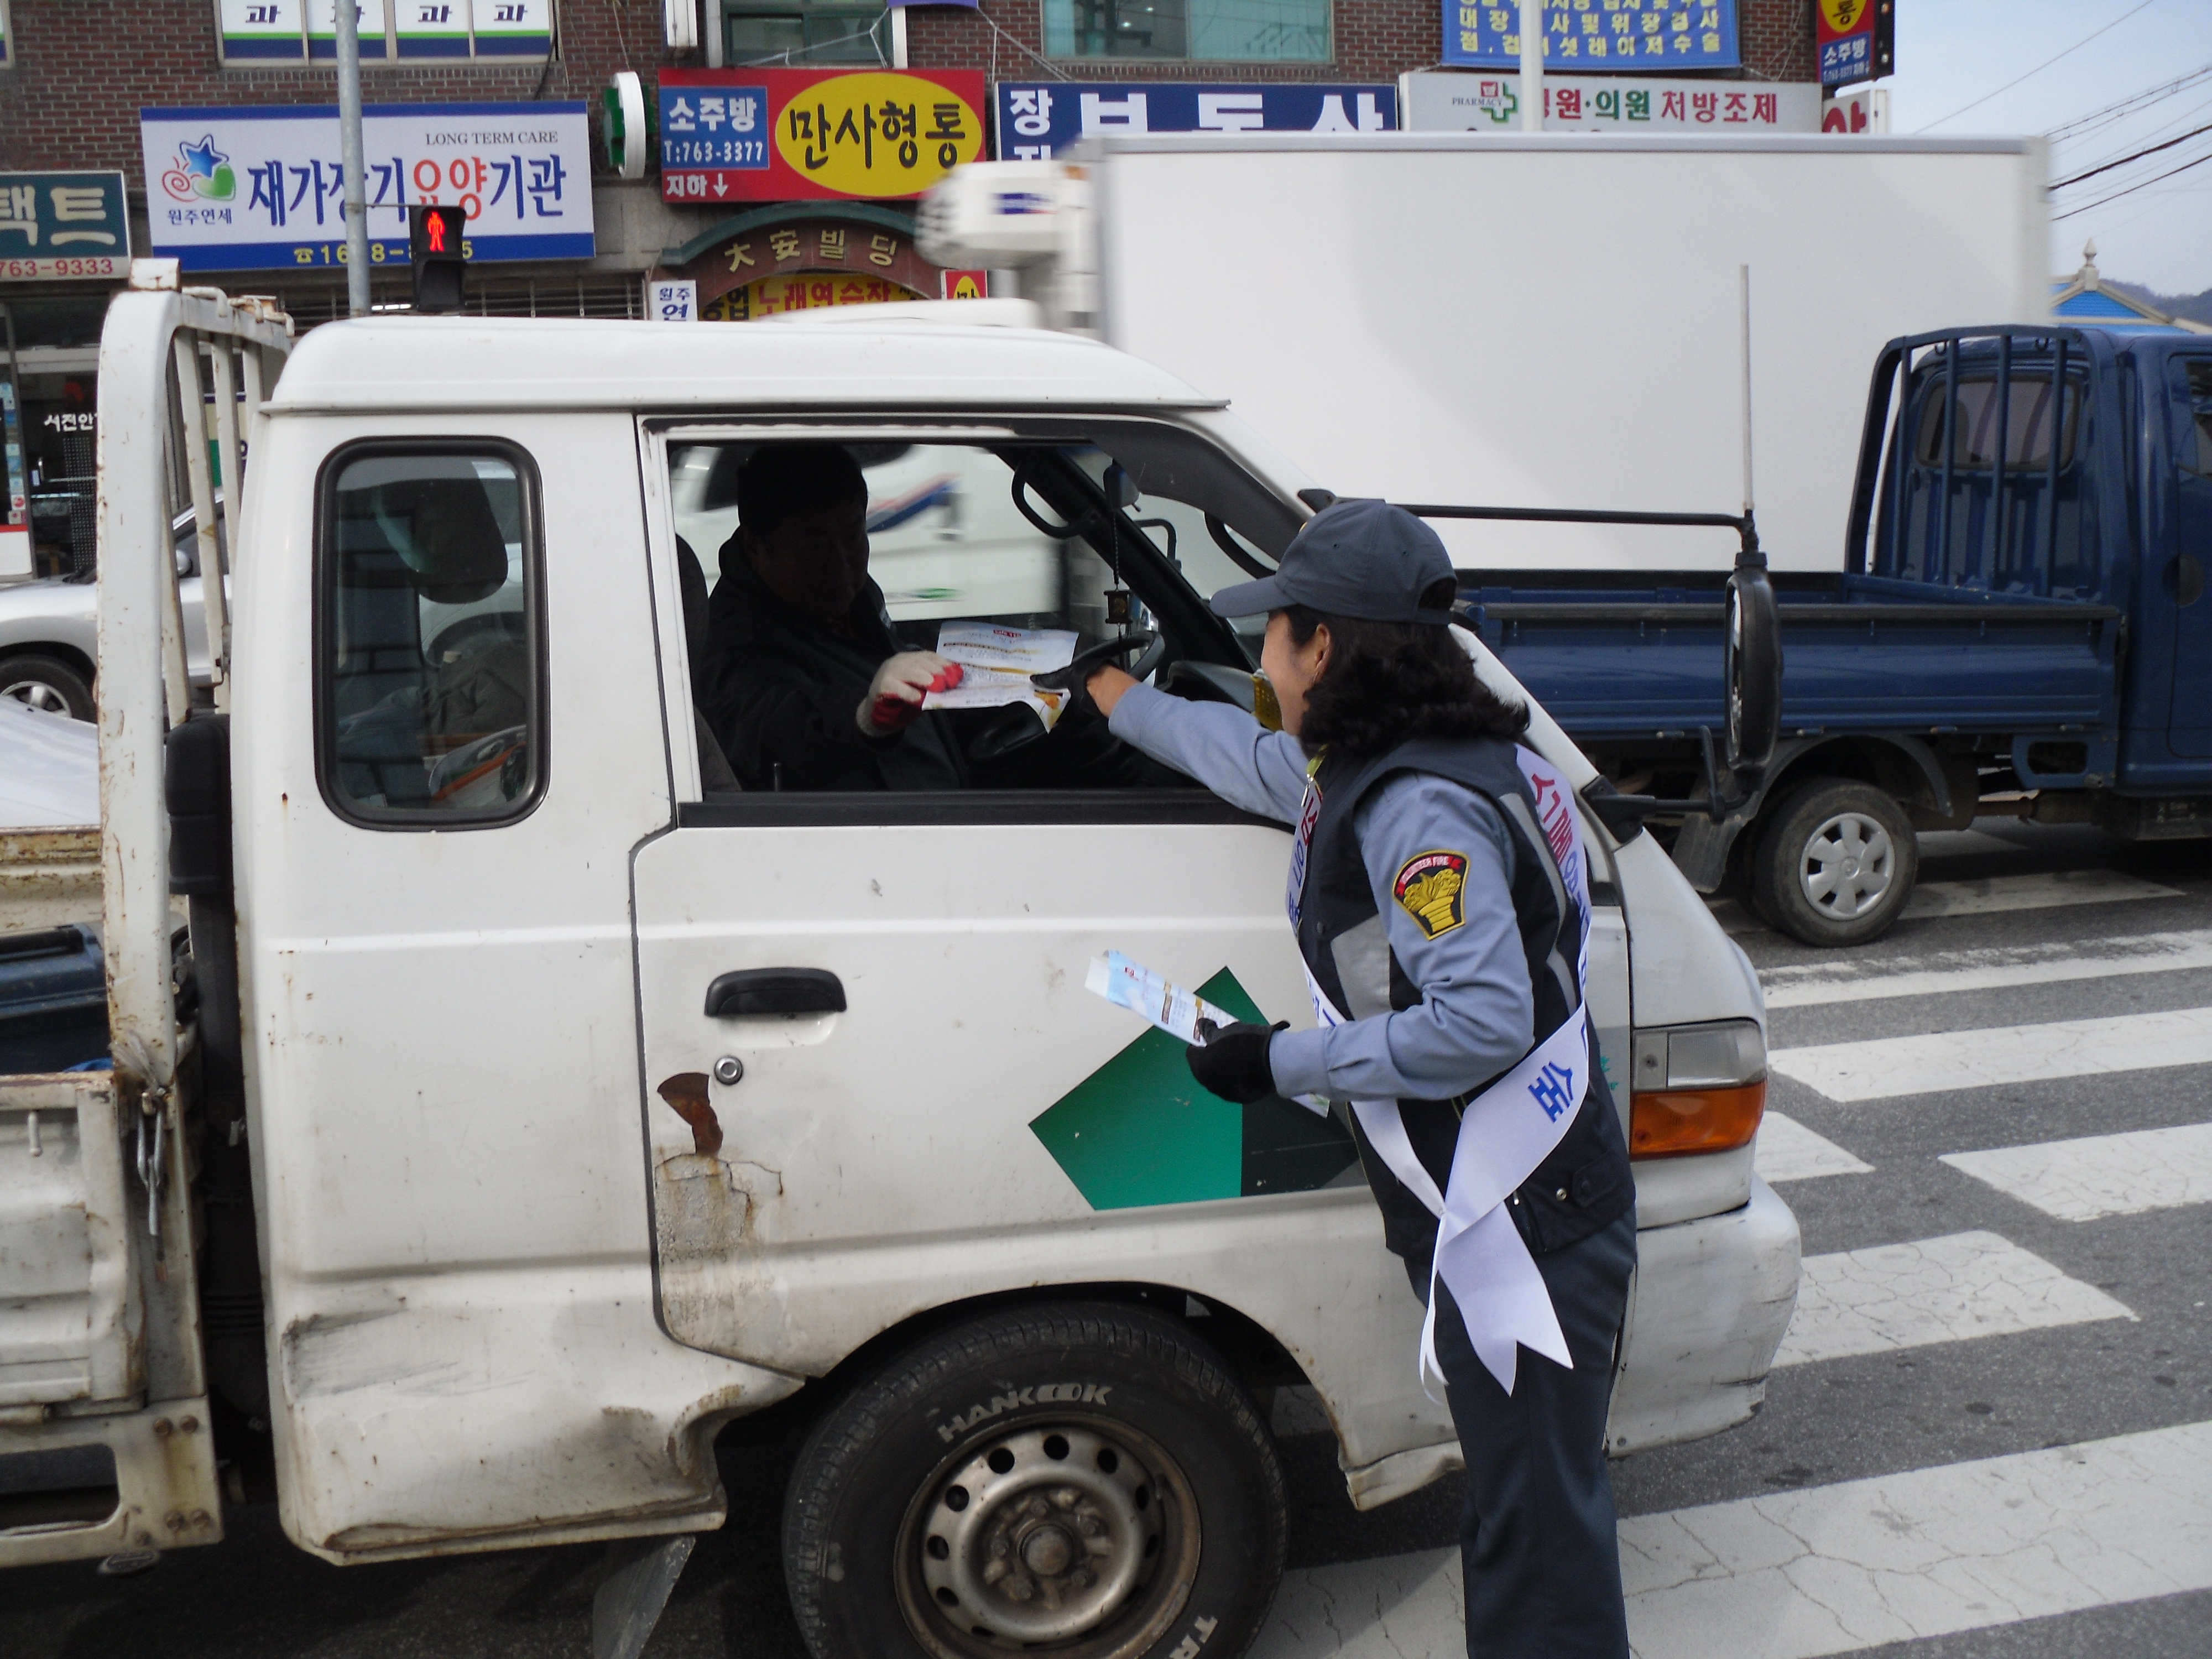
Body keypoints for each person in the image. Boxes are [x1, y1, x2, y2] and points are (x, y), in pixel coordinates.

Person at [1081, 498, 1636, 1659]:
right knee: (1524, 1506)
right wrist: (1111, 698)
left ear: (1322, 645)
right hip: (1517, 1194)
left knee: (1537, 1535)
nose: (1262, 664)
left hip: (1521, 1209)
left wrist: (1278, 1060)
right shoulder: (1413, 756)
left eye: (1272, 636)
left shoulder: (1415, 804)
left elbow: (1482, 1018)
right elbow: (1251, 759)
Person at [697, 442, 965, 791]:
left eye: (853, 536)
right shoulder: (734, 646)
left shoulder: (850, 596)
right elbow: (773, 728)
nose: (841, 563)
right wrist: (863, 718)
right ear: (756, 548)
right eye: (815, 547)